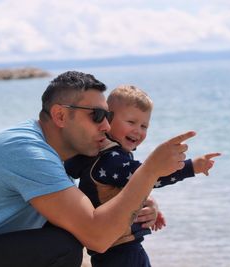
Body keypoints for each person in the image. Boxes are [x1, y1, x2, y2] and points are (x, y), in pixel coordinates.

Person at [0, 71, 196, 267]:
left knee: (67, 228)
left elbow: (90, 205)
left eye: (109, 117)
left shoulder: (48, 150)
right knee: (63, 246)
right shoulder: (28, 154)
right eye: (97, 116)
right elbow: (98, 236)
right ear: (59, 115)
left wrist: (143, 199)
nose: (106, 127)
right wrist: (149, 171)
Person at [64, 85, 221, 267]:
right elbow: (151, 175)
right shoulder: (110, 160)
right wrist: (191, 167)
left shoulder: (102, 154)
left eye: (144, 125)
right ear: (108, 119)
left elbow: (130, 187)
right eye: (131, 122)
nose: (138, 130)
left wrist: (147, 204)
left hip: (114, 249)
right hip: (121, 250)